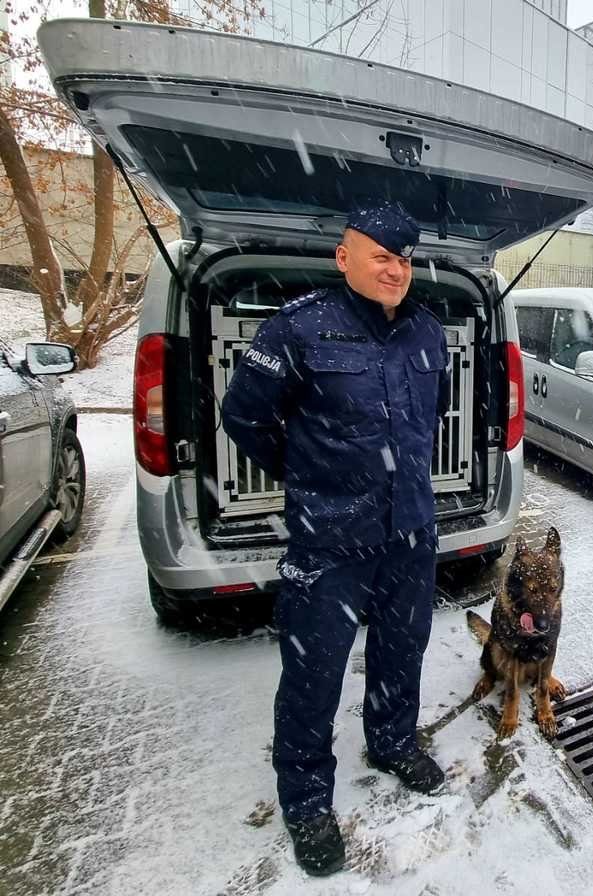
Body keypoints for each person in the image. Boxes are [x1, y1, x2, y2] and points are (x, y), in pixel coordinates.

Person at [222, 202, 451, 877]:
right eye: (380, 254)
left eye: (404, 258)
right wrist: (310, 478)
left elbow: (424, 422)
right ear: (342, 257)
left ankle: (391, 742)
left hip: (410, 532)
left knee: (402, 650)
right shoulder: (297, 329)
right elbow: (245, 418)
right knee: (313, 675)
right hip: (329, 541)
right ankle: (307, 801)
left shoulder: (429, 334)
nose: (395, 268)